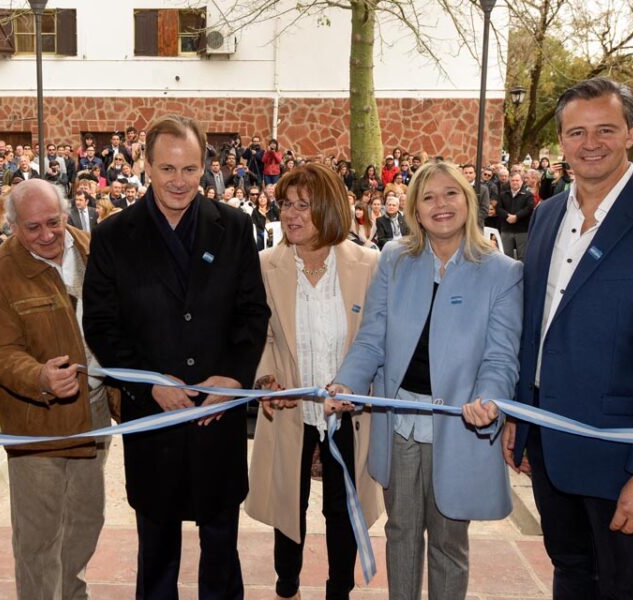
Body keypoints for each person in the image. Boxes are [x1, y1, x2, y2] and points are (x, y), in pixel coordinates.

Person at [509, 77, 633, 599]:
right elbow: (535, 329)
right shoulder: (547, 215)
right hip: (549, 444)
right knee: (570, 574)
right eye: (576, 132)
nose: (590, 143)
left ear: (632, 132)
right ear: (562, 141)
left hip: (623, 459)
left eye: (605, 129)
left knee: (628, 588)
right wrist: (520, 421)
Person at [82, 115, 270, 599]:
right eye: (167, 169)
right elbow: (101, 326)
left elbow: (253, 313)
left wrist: (233, 378)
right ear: (145, 166)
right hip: (154, 421)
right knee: (158, 554)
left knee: (221, 552)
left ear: (205, 165)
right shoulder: (112, 235)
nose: (179, 181)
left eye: (190, 169)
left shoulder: (232, 227)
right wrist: (147, 383)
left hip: (217, 416)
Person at [329, 160, 523, 600]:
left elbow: (500, 358)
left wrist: (490, 399)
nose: (440, 205)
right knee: (400, 530)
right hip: (399, 421)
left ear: (468, 202)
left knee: (448, 538)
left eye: (450, 194)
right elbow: (371, 337)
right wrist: (346, 383)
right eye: (428, 197)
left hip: (458, 424)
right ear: (415, 210)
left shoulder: (502, 273)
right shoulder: (395, 259)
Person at [244, 163, 384, 600]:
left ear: (329, 208)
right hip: (291, 409)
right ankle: (287, 587)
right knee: (290, 505)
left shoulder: (368, 264)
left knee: (343, 508)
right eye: (286, 204)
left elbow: (378, 337)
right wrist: (267, 376)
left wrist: (355, 385)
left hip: (350, 412)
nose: (291, 215)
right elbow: (259, 332)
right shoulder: (266, 265)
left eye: (304, 205)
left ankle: (338, 590)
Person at [0, 179, 111, 600]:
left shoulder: (95, 249)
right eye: (32, 228)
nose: (47, 235)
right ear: (12, 226)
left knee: (86, 517)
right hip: (38, 421)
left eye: (53, 221)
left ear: (67, 213)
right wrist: (39, 377)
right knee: (38, 534)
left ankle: (72, 592)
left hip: (95, 411)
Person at [496, 172, 533, 260]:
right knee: (506, 256)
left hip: (522, 230)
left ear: (521, 181)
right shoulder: (503, 194)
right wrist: (507, 216)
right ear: (509, 181)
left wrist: (516, 216)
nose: (515, 182)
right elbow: (499, 209)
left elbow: (528, 208)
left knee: (522, 256)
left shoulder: (528, 195)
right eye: (512, 180)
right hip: (506, 229)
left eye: (517, 180)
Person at [250, 186, 279, 251]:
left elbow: (280, 219)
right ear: (258, 199)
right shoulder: (255, 211)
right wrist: (262, 233)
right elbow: (254, 226)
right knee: (258, 240)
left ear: (267, 199)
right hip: (262, 233)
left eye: (264, 197)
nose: (262, 199)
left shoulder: (273, 208)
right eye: (260, 197)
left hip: (275, 232)